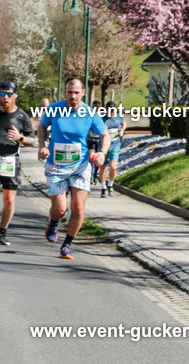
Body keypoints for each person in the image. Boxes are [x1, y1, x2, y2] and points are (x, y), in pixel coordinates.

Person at [37, 78, 110, 260]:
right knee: (60, 209)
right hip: (56, 165)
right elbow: (42, 127)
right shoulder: (54, 109)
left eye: (77, 92)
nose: (73, 96)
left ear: (83, 92)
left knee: (77, 209)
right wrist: (42, 146)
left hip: (80, 166)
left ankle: (67, 244)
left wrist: (102, 153)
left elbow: (105, 135)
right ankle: (54, 220)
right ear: (65, 92)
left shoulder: (90, 113)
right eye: (70, 92)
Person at [0, 81, 36, 246]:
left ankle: (2, 231)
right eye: (2, 94)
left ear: (15, 95)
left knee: (9, 200)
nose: (5, 98)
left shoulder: (21, 116)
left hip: (10, 160)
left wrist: (19, 138)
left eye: (9, 94)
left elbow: (33, 141)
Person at [99, 101, 126, 197]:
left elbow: (124, 123)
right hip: (103, 147)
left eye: (113, 110)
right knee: (102, 167)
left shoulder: (118, 117)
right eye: (109, 110)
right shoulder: (101, 118)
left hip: (115, 145)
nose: (111, 112)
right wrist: (102, 129)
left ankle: (110, 184)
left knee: (113, 167)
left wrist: (122, 130)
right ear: (106, 109)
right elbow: (95, 130)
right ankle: (103, 187)